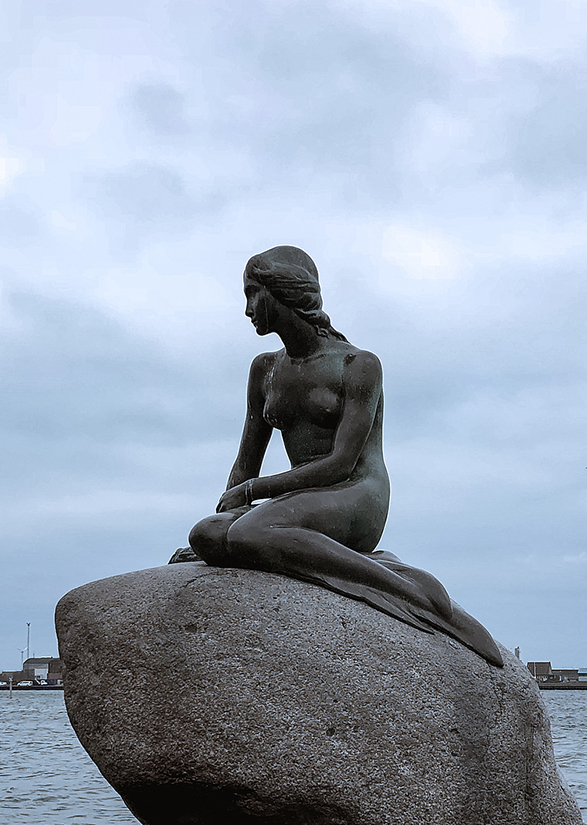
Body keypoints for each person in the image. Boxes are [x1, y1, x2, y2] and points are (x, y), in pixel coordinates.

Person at [180, 245, 502, 666]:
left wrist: (254, 493)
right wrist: (225, 515)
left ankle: (410, 589)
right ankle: (354, 562)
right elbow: (245, 465)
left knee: (246, 534)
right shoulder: (265, 370)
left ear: (284, 291)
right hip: (299, 503)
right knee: (205, 533)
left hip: (356, 494)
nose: (247, 309)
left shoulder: (357, 364)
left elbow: (340, 463)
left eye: (253, 293)